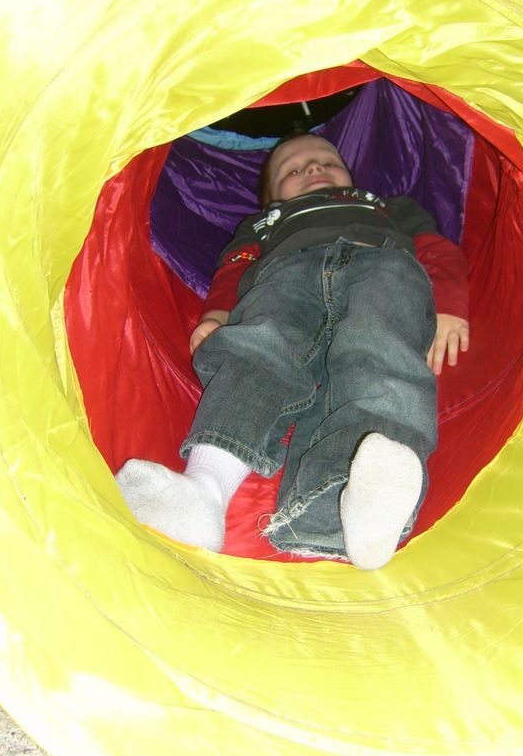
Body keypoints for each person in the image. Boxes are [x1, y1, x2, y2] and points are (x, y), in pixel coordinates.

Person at [116, 133, 470, 569]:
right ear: (271, 198)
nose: (314, 169)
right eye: (293, 170)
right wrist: (220, 315)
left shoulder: (385, 205)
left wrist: (449, 304)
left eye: (327, 162)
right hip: (287, 273)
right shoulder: (265, 222)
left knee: (381, 354)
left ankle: (358, 507)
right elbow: (235, 267)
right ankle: (204, 490)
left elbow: (436, 249)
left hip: (383, 266)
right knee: (260, 347)